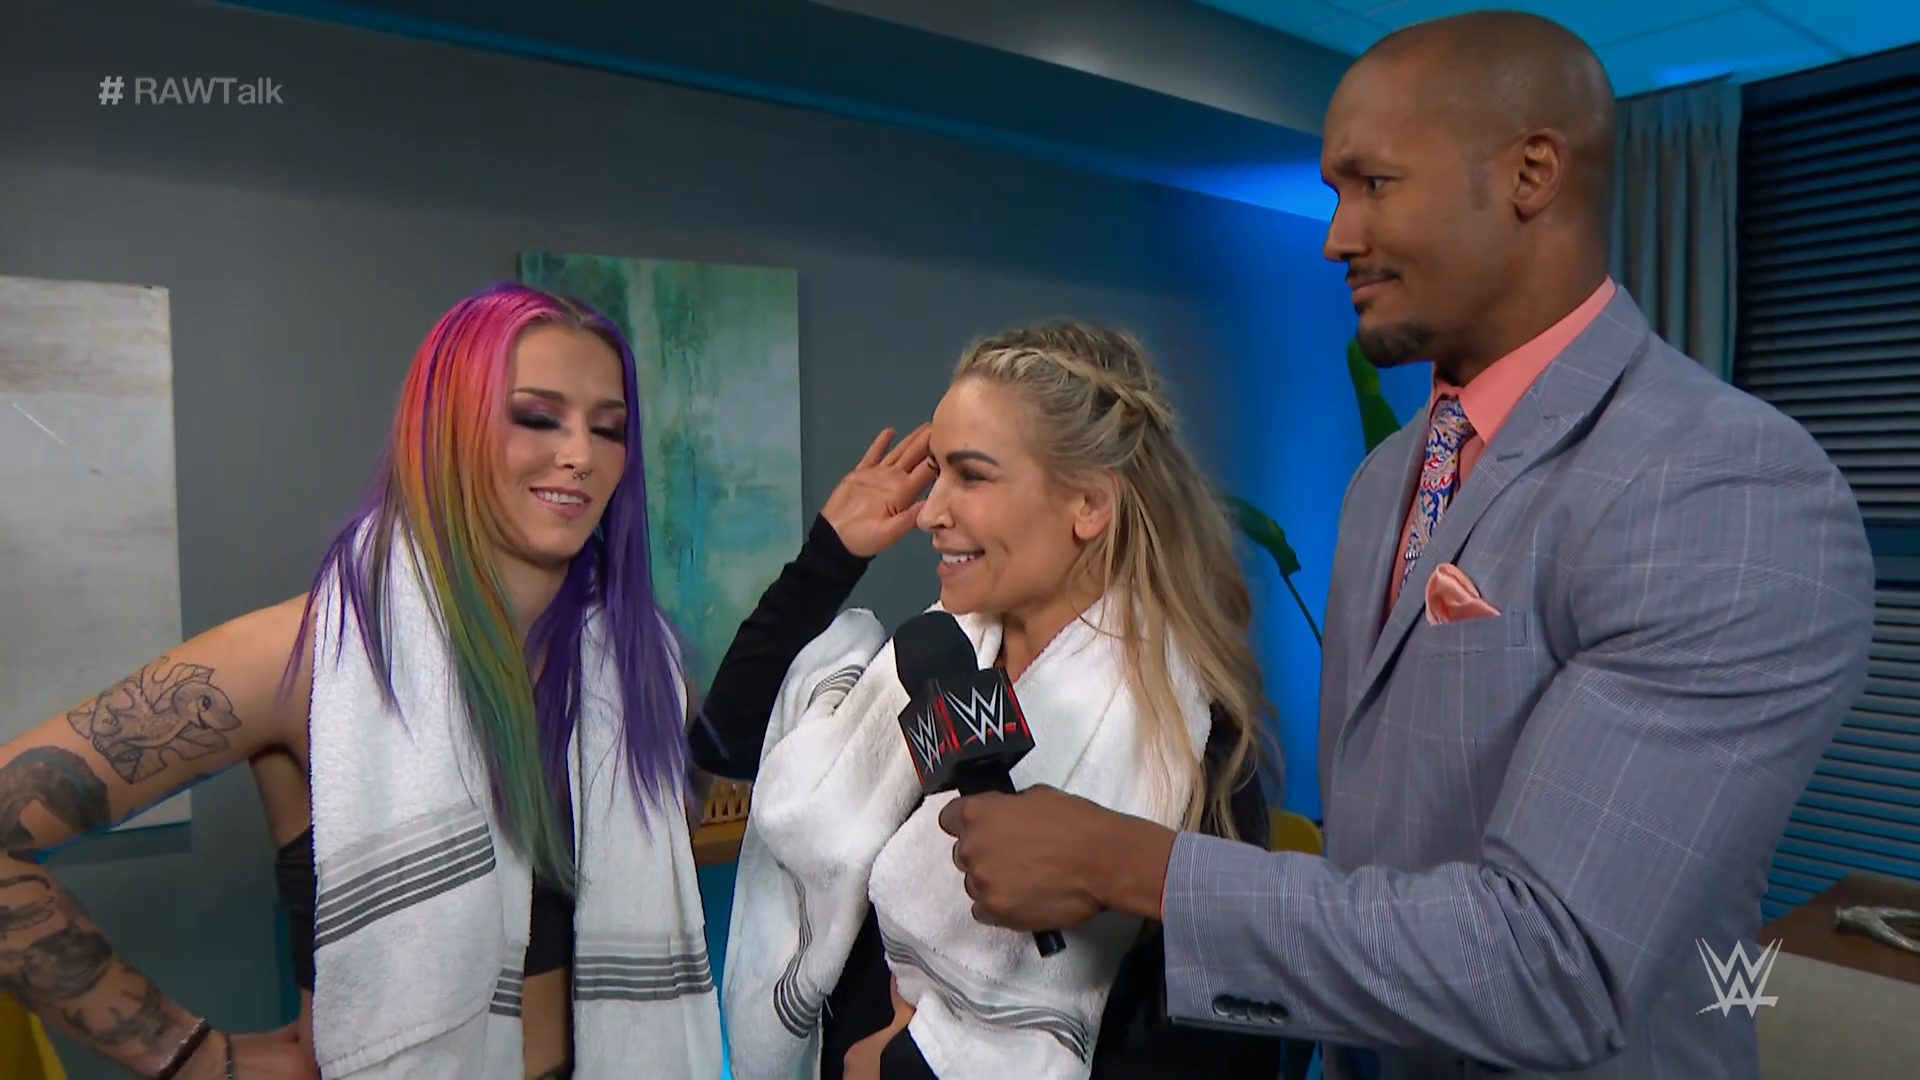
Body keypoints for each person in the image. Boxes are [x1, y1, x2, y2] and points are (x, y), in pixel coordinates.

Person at [933, 11, 1877, 1080]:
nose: (1336, 237)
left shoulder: (1722, 484)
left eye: (1374, 184)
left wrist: (1134, 865)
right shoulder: (1390, 479)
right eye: (1336, 193)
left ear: (1530, 175)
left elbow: (1555, 965)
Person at [0, 282, 722, 1080]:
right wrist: (192, 1056)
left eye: (609, 428)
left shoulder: (642, 670)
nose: (581, 454)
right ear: (446, 430)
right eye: (536, 417)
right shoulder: (307, 654)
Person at [689, 323, 1289, 1079]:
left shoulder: (1193, 749)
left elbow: (1217, 1057)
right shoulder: (926, 667)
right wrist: (829, 555)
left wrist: (903, 1071)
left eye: (970, 476)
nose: (930, 512)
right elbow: (728, 737)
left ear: (1089, 503)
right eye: (936, 472)